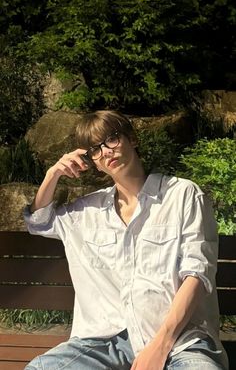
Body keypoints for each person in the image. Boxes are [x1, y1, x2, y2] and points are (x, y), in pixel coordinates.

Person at [24, 110, 228, 370]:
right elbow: (39, 221)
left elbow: (197, 275)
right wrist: (53, 173)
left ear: (132, 139)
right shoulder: (87, 212)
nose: (106, 152)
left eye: (111, 139)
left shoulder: (182, 195)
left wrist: (160, 345)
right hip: (103, 344)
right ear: (93, 163)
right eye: (95, 149)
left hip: (180, 342)